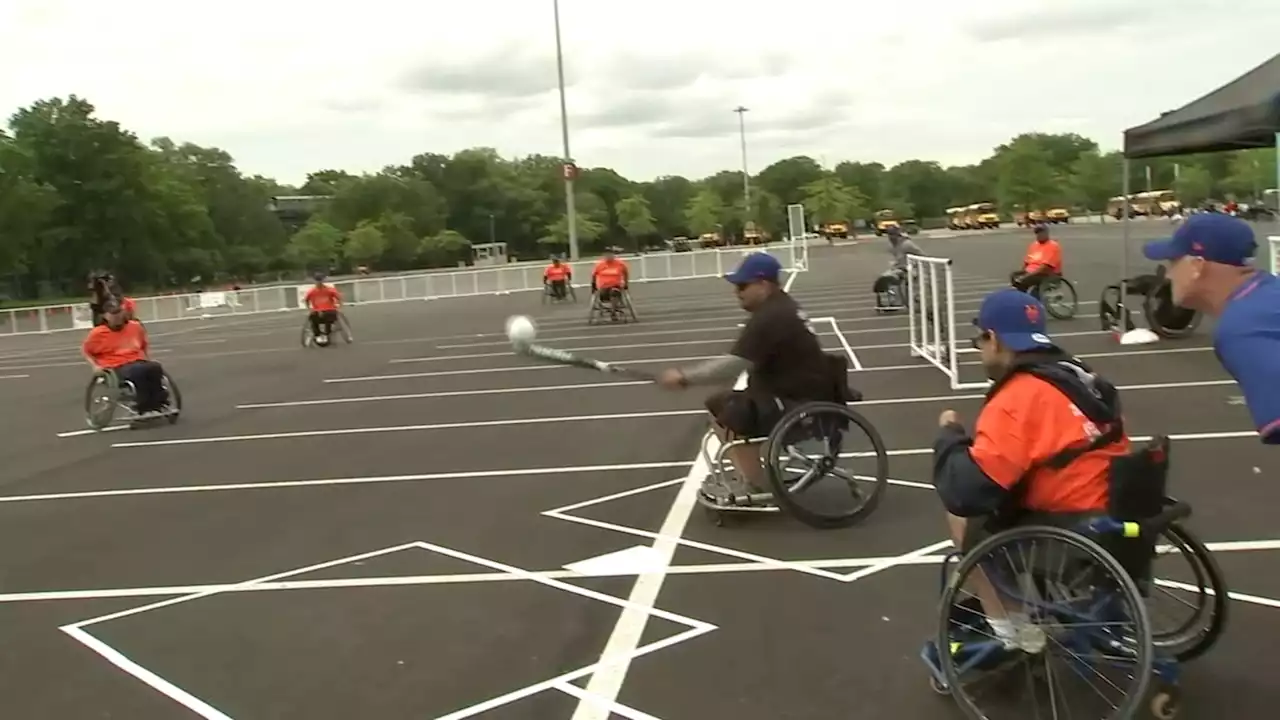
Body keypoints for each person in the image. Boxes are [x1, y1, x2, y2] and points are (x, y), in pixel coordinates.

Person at [932, 288, 1128, 651]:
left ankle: (1012, 632)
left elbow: (967, 489)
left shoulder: (1018, 396)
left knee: (963, 515)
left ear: (993, 339)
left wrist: (950, 436)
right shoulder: (1079, 374)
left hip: (1074, 531)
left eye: (980, 339)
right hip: (1118, 512)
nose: (979, 348)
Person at [656, 252, 850, 498]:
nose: (737, 292)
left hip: (798, 404)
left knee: (732, 412)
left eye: (742, 285)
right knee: (721, 403)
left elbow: (733, 364)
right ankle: (754, 478)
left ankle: (756, 486)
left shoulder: (772, 317)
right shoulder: (781, 307)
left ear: (763, 283)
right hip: (799, 396)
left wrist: (685, 377)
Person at [1142, 213, 1280, 444]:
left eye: (1173, 262)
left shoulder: (1243, 330)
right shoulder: (1267, 295)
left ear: (1197, 265)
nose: (1168, 274)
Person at [82, 297, 169, 415]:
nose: (117, 316)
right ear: (105, 316)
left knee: (155, 367)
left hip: (137, 361)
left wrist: (147, 358)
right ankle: (143, 406)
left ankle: (159, 401)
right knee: (139, 371)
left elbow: (143, 345)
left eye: (119, 312)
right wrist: (95, 366)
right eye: (113, 314)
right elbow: (86, 351)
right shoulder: (98, 333)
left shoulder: (135, 327)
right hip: (115, 367)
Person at [1010, 225, 1063, 295]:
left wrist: (1027, 275)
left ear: (1047, 233)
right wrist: (1023, 272)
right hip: (1032, 271)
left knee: (1024, 280)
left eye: (1041, 233)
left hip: (1046, 273)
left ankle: (1027, 298)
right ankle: (1022, 296)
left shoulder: (1053, 246)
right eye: (1037, 233)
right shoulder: (1034, 245)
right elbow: (1027, 263)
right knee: (1014, 275)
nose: (1039, 235)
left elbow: (1046, 267)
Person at [304, 273, 342, 343]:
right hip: (317, 311)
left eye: (320, 280)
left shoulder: (330, 290)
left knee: (329, 315)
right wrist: (309, 309)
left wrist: (339, 305)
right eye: (317, 280)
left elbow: (339, 298)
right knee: (313, 316)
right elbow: (306, 300)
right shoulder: (311, 291)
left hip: (329, 309)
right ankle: (317, 334)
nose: (319, 282)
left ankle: (327, 333)